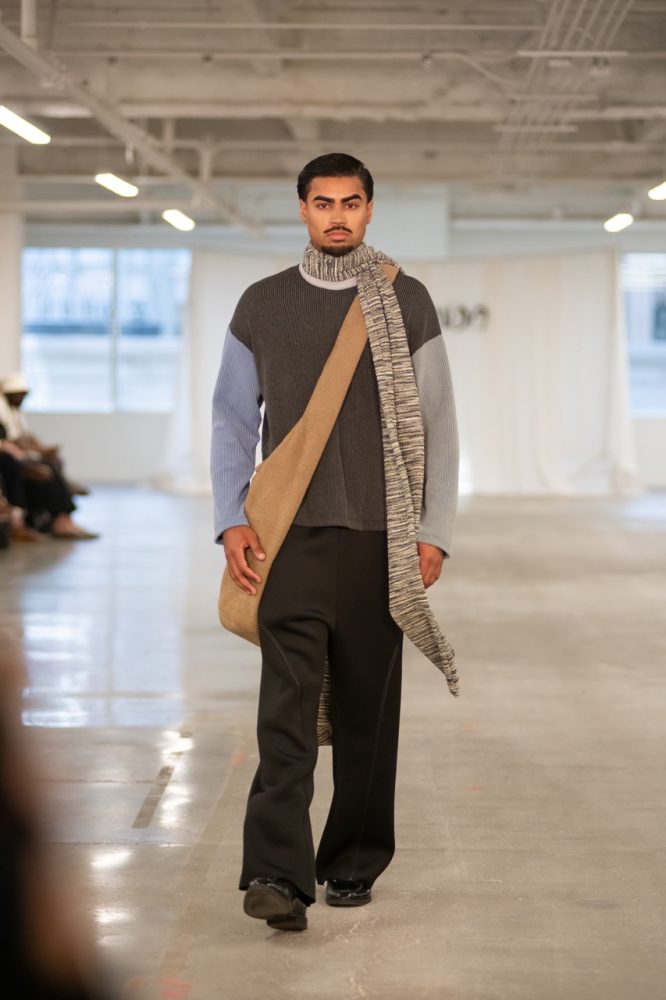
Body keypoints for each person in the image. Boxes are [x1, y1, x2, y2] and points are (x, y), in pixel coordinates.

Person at [210, 153, 459, 933]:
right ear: (303, 209)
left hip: (382, 540)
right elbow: (230, 419)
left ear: (370, 209)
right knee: (283, 714)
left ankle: (352, 862)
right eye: (324, 203)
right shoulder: (262, 304)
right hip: (287, 539)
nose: (338, 215)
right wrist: (230, 516)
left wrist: (434, 530)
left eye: (351, 202)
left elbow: (439, 421)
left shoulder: (406, 300)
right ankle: (275, 875)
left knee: (366, 717)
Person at [0, 375, 97, 540]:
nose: (21, 398)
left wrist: (41, 449)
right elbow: (9, 442)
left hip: (16, 453)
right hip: (10, 456)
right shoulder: (3, 411)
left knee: (52, 463)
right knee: (31, 468)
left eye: (23, 394)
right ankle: (47, 519)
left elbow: (23, 437)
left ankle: (61, 516)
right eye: (18, 394)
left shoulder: (15, 412)